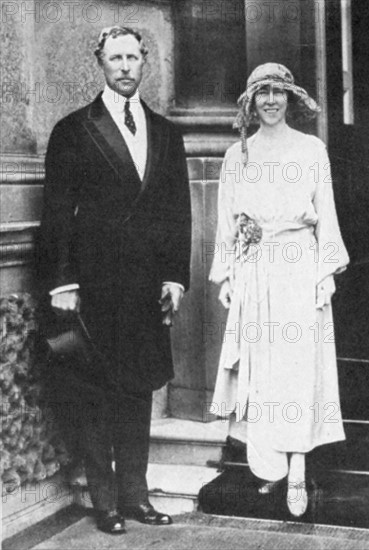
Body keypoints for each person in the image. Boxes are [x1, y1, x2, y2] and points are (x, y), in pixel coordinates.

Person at [38, 26, 191, 534]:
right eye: (115, 57)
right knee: (97, 394)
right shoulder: (74, 129)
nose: (125, 66)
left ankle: (136, 497)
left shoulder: (167, 132)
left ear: (146, 62)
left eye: (133, 57)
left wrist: (175, 276)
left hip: (146, 287)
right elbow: (56, 214)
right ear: (100, 63)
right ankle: (105, 502)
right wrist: (62, 283)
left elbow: (177, 213)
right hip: (96, 283)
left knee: (138, 392)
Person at [209, 63, 349, 518]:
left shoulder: (311, 149)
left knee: (297, 366)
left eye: (278, 93)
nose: (270, 101)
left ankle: (298, 467)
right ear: (250, 102)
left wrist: (324, 271)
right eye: (262, 93)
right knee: (262, 369)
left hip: (298, 266)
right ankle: (270, 463)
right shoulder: (238, 155)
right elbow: (227, 220)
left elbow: (324, 209)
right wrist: (228, 275)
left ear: (291, 99)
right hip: (254, 269)